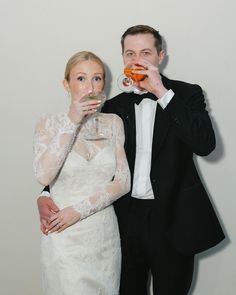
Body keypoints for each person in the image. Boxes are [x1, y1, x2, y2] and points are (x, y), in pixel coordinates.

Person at [38, 25, 225, 295]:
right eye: (130, 53)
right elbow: (80, 155)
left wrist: (161, 92)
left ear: (160, 57)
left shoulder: (186, 94)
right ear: (123, 58)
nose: (137, 59)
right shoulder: (112, 107)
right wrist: (45, 192)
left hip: (174, 222)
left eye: (146, 52)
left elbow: (205, 145)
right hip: (123, 224)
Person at [33, 50, 130, 295]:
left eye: (97, 78)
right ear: (66, 84)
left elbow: (123, 181)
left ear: (104, 84)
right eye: (81, 78)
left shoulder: (113, 122)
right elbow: (43, 176)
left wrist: (78, 211)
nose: (90, 86)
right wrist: (73, 120)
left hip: (104, 237)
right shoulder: (48, 123)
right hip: (64, 238)